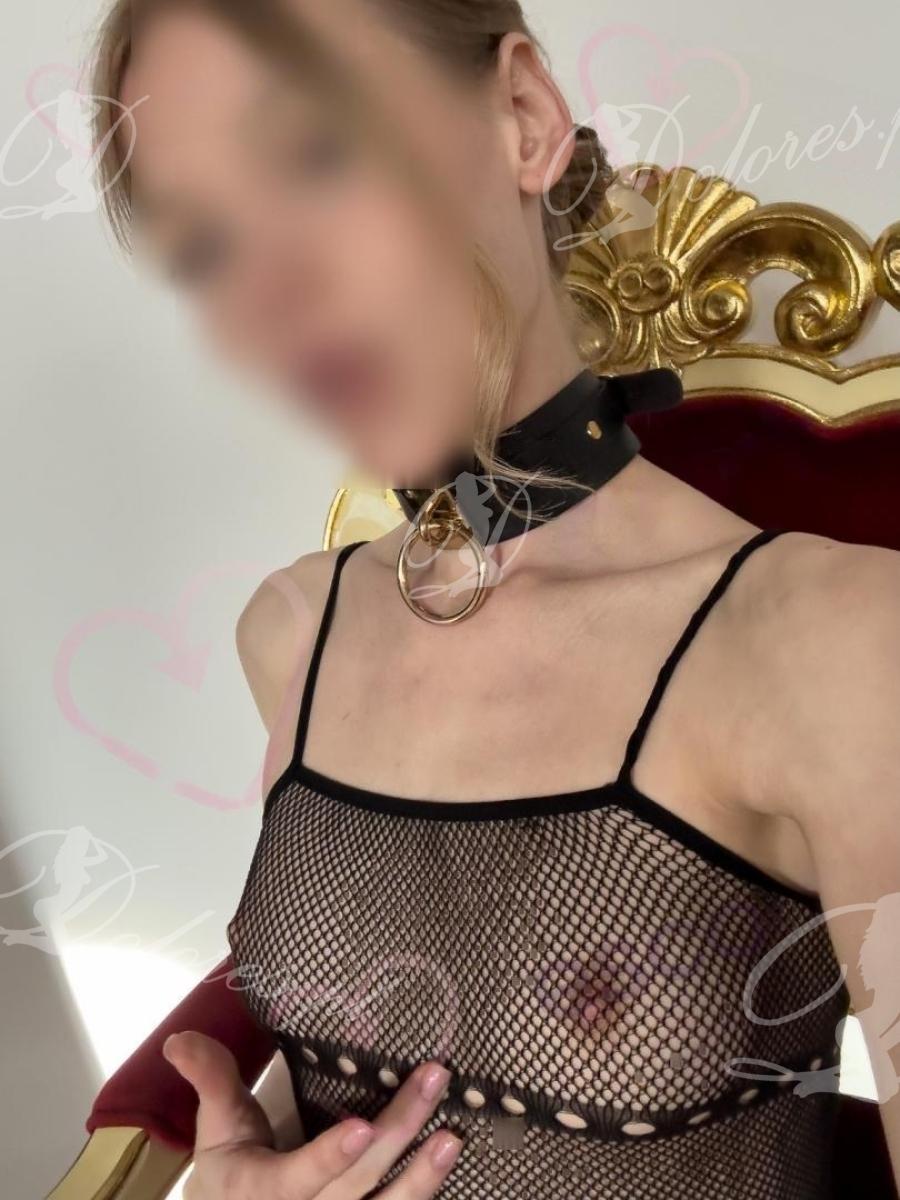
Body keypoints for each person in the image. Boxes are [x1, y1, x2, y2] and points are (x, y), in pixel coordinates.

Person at [87, 1, 900, 1197]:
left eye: (315, 151)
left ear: (522, 115)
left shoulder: (838, 643)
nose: (270, 290)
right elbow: (385, 1062)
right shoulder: (294, 632)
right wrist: (240, 1177)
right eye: (206, 245)